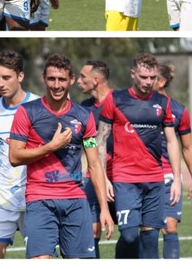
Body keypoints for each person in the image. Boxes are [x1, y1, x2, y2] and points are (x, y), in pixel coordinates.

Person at [8, 54, 114, 259]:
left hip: (76, 201)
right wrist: (50, 147)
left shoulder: (84, 116)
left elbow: (94, 164)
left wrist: (104, 209)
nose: (56, 85)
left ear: (71, 80)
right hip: (40, 199)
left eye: (62, 79)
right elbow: (14, 156)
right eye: (52, 79)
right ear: (43, 78)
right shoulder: (27, 112)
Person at [97, 53, 181, 258]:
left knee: (151, 238)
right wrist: (104, 178)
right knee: (129, 236)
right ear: (133, 74)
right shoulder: (115, 100)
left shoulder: (162, 102)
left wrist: (177, 179)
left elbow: (172, 141)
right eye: (144, 77)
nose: (148, 82)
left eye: (152, 78)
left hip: (154, 180)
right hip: (125, 180)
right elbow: (99, 141)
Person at [0, 49, 40, 258]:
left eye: (6, 77)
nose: (1, 83)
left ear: (20, 76)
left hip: (34, 196)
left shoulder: (40, 107)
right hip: (2, 197)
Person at [155, 64, 192, 258]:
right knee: (144, 230)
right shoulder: (135, 106)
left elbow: (187, 147)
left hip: (168, 175)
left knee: (169, 227)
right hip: (141, 175)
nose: (145, 81)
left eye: (151, 77)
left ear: (162, 81)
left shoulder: (178, 110)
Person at [77, 60, 116, 258]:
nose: (78, 81)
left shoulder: (119, 101)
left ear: (96, 79)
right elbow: (91, 143)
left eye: (82, 77)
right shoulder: (85, 107)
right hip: (94, 175)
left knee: (131, 231)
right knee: (92, 230)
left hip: (121, 176)